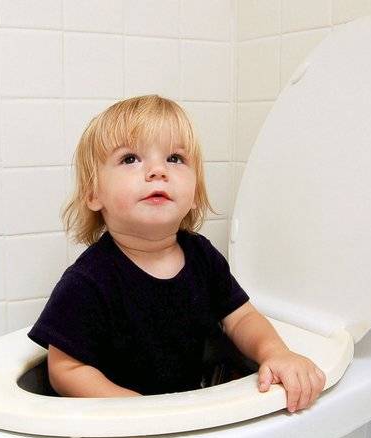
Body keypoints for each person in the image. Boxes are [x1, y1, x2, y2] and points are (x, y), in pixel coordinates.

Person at [27, 94, 325, 413]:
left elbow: (242, 318)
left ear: (195, 193)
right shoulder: (89, 280)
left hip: (189, 412)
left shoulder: (201, 256)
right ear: (93, 193)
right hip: (121, 427)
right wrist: (139, 411)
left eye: (174, 158)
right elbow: (66, 369)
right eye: (130, 159)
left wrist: (275, 352)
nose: (158, 171)